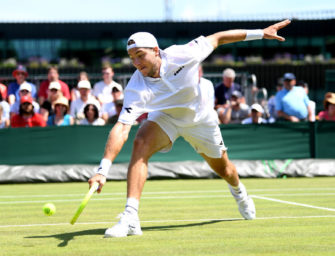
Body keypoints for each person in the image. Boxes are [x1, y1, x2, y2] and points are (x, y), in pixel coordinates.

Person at [88, 19, 291, 238]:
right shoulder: (136, 87)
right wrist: (102, 170)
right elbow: (121, 128)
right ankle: (131, 218)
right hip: (165, 118)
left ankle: (240, 193)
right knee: (141, 142)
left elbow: (219, 38)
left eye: (140, 55)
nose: (136, 62)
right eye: (132, 58)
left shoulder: (182, 54)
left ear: (156, 51)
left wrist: (261, 33)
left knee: (225, 170)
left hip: (200, 119)